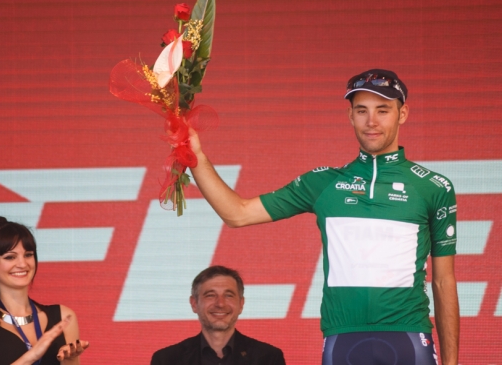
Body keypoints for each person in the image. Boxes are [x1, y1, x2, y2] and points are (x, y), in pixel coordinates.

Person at [188, 70, 459, 365]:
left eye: (383, 110)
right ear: (350, 116)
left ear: (402, 114)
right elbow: (237, 214)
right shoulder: (323, 183)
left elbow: (443, 282)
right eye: (362, 111)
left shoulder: (433, 187)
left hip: (409, 338)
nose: (371, 121)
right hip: (342, 340)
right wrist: (194, 154)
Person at [0, 215, 89, 365]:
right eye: (10, 257)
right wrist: (31, 356)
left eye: (28, 255)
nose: (22, 264)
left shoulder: (63, 317)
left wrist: (70, 360)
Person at [151, 265, 286, 365]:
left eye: (228, 295)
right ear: (194, 304)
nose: (220, 304)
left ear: (241, 304)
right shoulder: (166, 360)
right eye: (210, 295)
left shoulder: (268, 358)